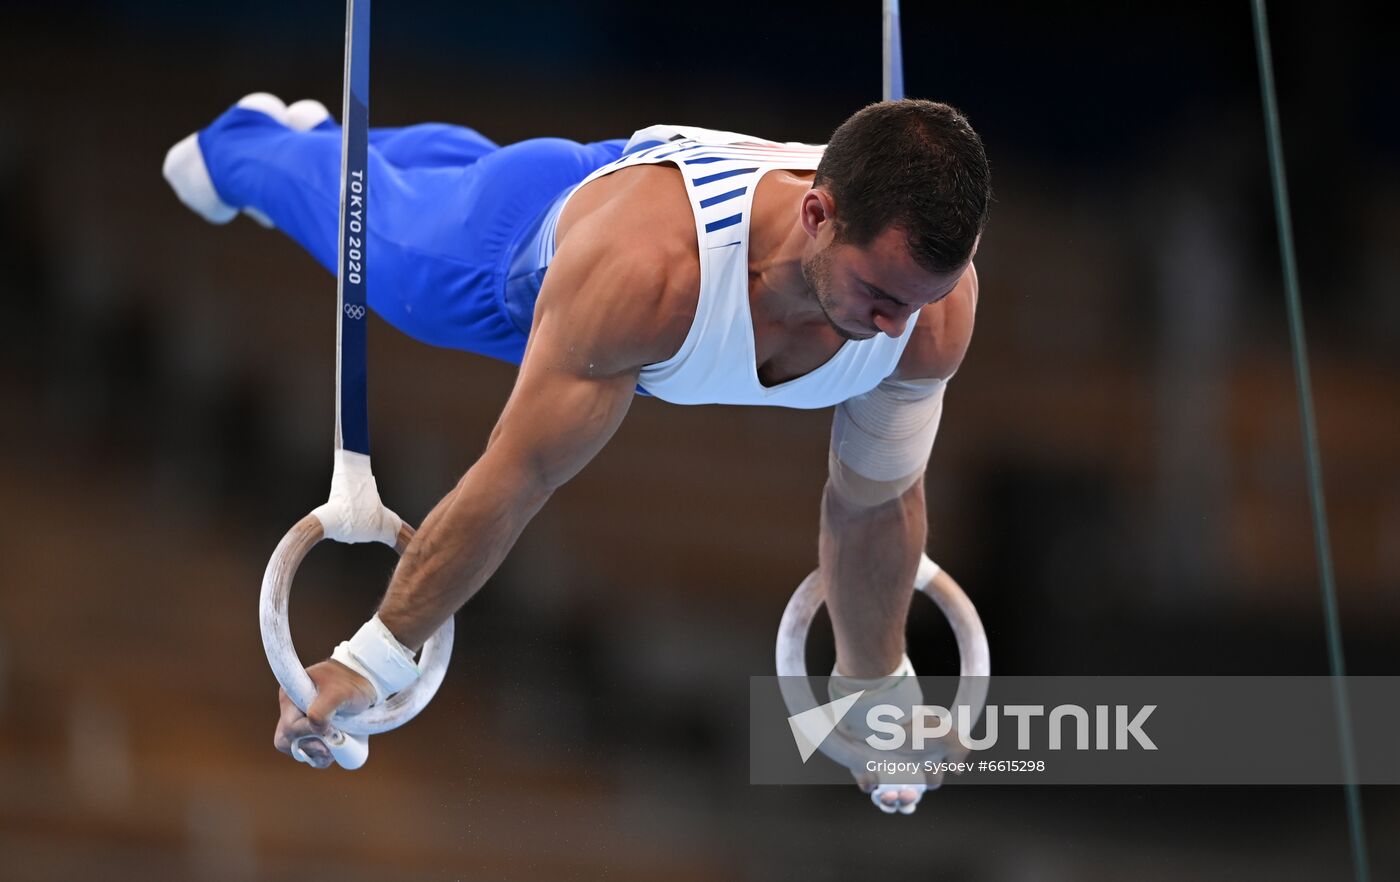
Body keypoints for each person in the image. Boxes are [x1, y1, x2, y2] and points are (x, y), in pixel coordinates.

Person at [164, 94, 990, 814]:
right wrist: (371, 660)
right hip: (519, 251)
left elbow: (875, 500)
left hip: (611, 190)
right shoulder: (651, 276)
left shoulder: (932, 318)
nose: (894, 328)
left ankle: (360, 142)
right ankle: (253, 141)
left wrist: (874, 692)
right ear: (818, 215)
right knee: (388, 251)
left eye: (917, 303)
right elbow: (517, 479)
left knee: (454, 174)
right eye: (881, 298)